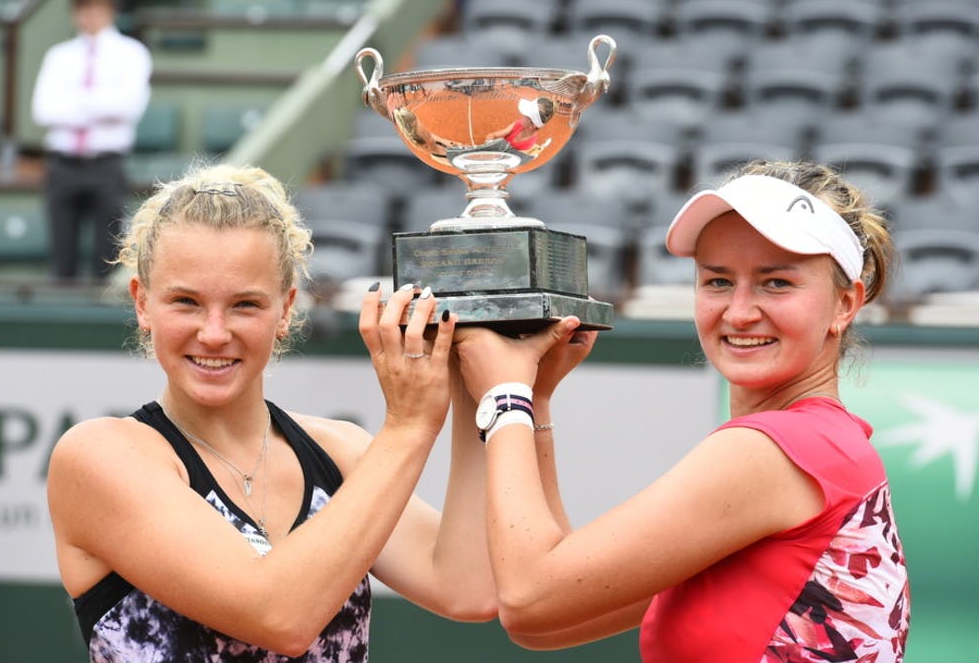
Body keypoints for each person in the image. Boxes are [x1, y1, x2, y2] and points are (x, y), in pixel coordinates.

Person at [452, 159, 911, 662]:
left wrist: (506, 397)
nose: (738, 311)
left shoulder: (776, 450)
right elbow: (549, 622)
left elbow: (529, 598)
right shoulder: (822, 444)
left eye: (776, 282)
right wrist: (535, 397)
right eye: (717, 281)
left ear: (846, 304)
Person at [46, 162, 495, 660]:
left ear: (286, 309)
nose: (214, 332)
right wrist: (409, 428)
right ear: (142, 304)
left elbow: (466, 587)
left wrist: (480, 386)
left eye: (245, 305)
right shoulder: (99, 456)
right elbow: (279, 617)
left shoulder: (339, 451)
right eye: (186, 301)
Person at [31, 0, 152, 283]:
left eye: (96, 7)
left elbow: (126, 106)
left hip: (106, 165)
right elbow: (44, 110)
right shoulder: (59, 55)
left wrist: (73, 105)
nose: (89, 15)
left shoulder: (132, 53)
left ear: (110, 11)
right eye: (82, 8)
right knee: (62, 262)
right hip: (62, 165)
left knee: (107, 260)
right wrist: (100, 104)